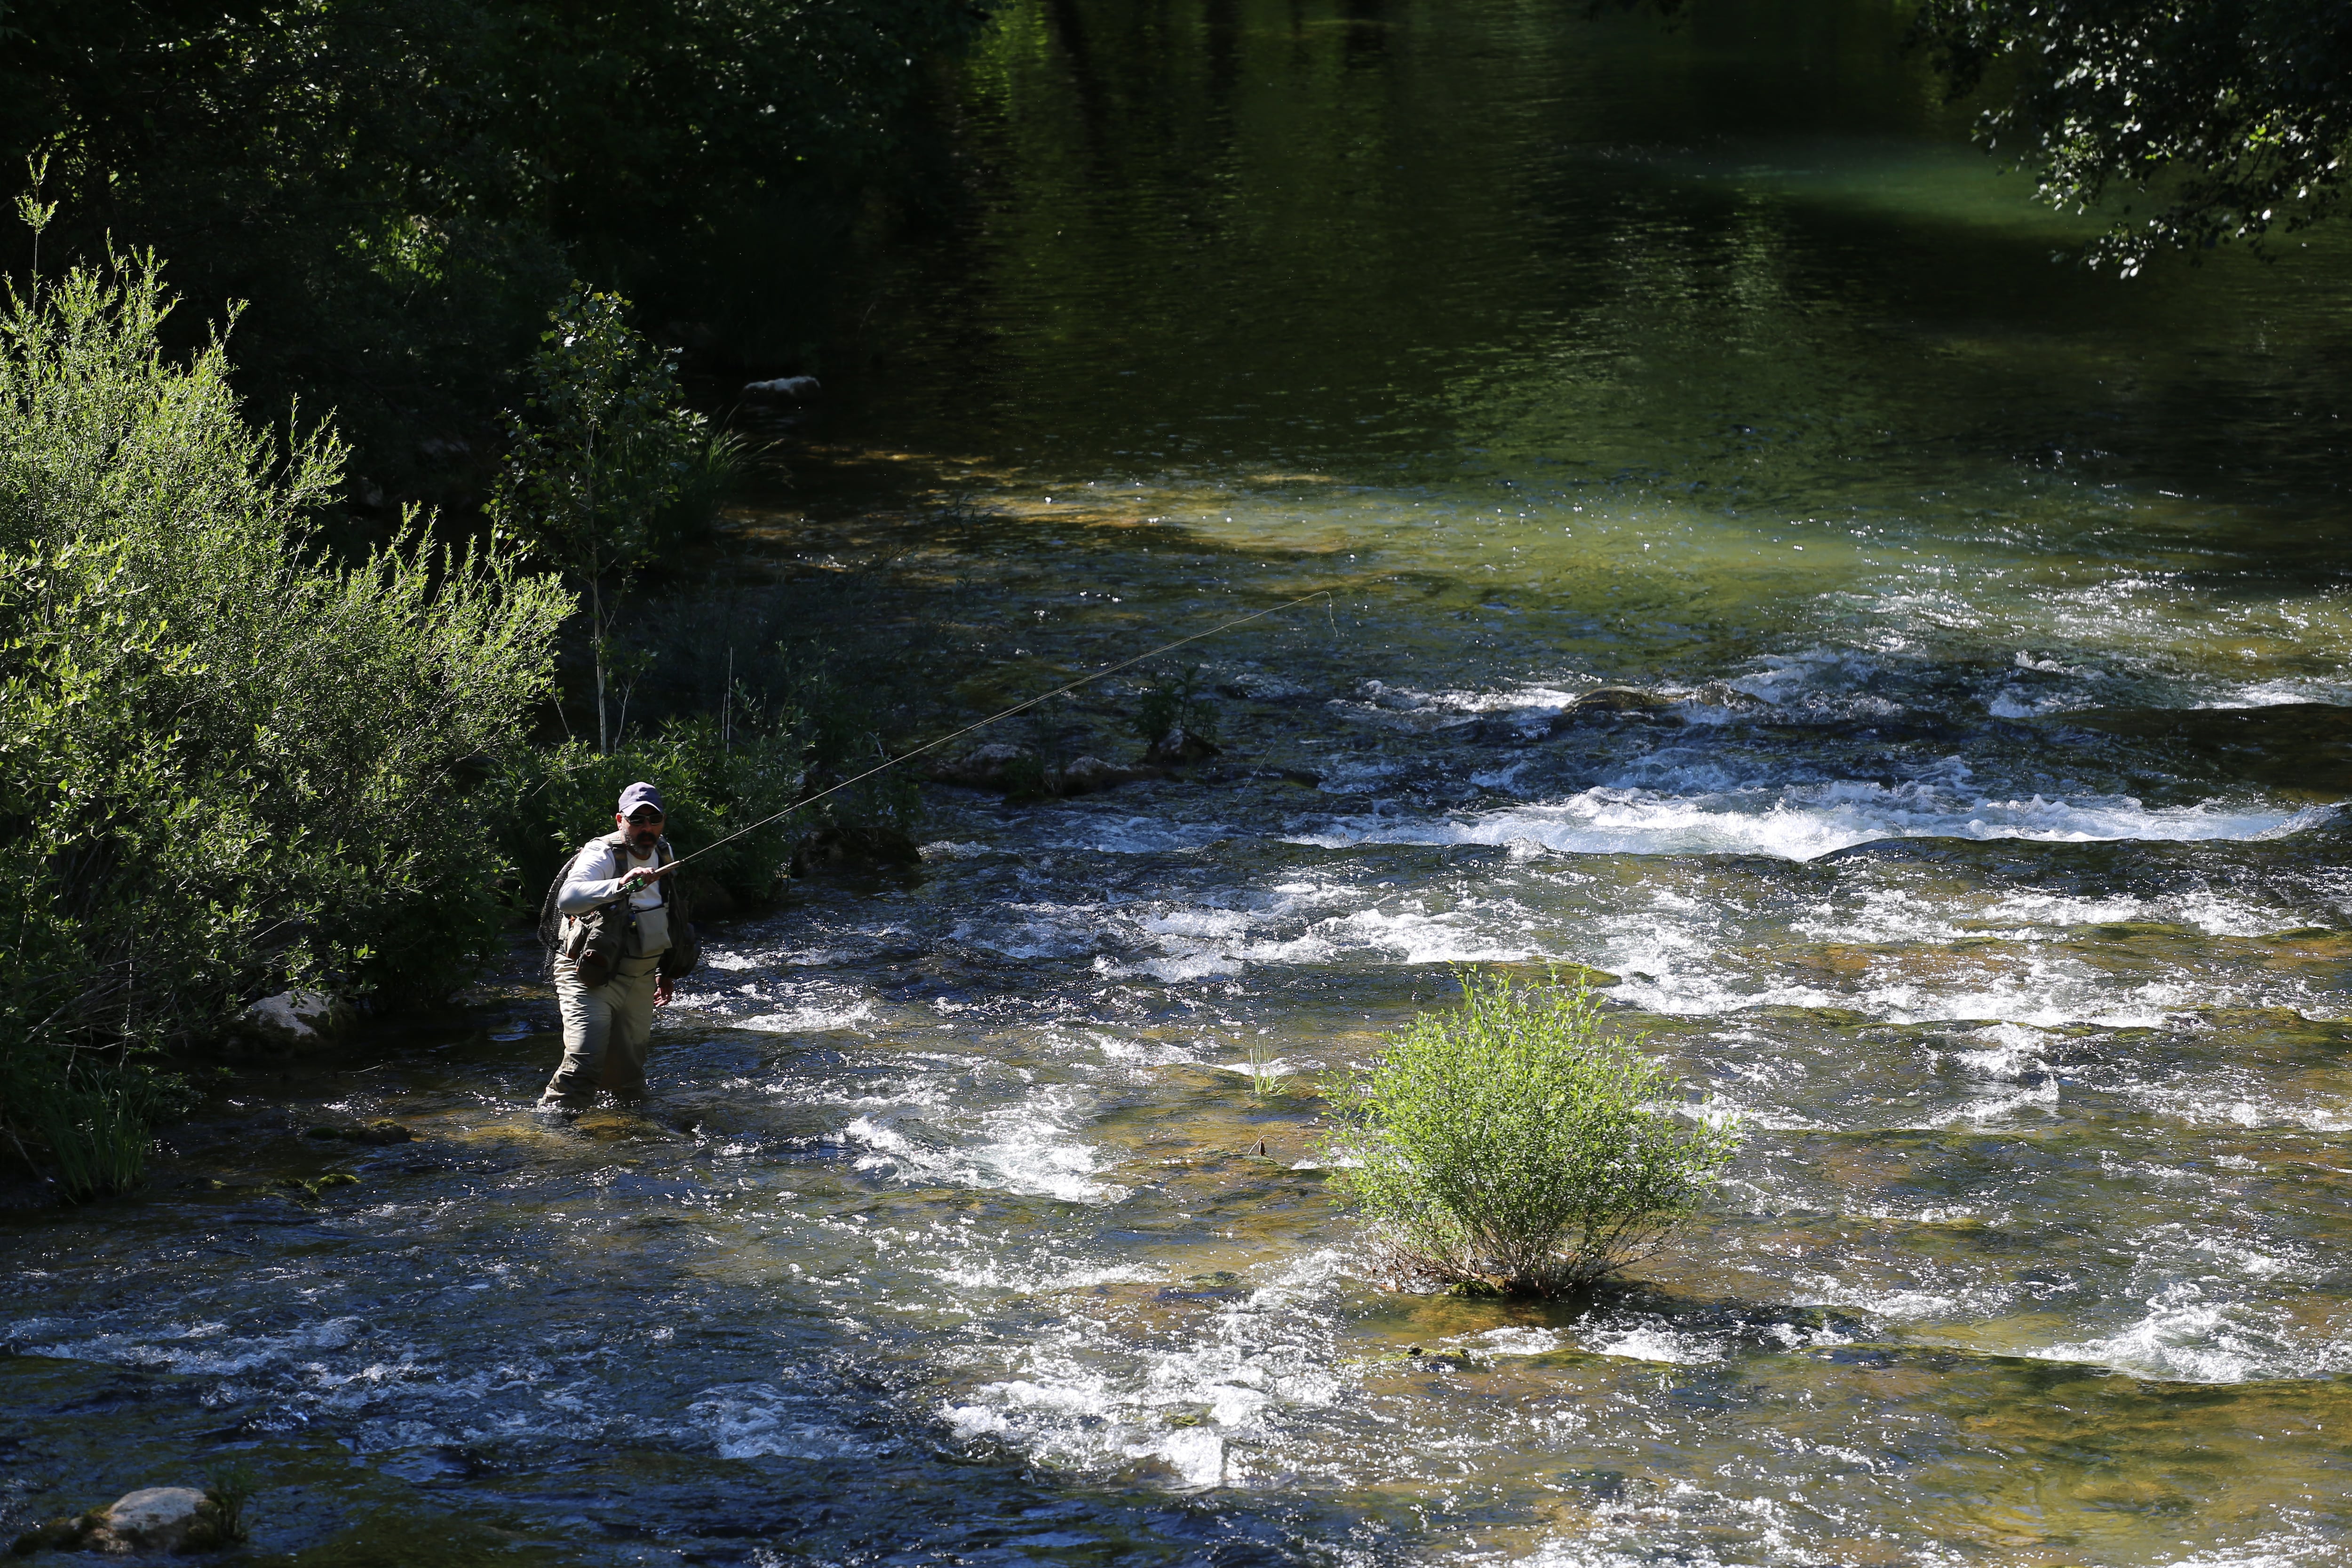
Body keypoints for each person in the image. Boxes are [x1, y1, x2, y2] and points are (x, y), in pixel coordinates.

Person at [539, 781, 687, 1113]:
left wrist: (667, 971)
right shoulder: (602, 853)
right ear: (621, 820)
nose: (646, 828)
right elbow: (568, 898)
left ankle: (622, 1137)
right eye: (637, 821)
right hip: (590, 973)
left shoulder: (665, 851)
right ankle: (551, 1134)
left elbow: (667, 916)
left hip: (642, 975)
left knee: (627, 1080)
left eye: (654, 819)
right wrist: (619, 883)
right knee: (584, 1060)